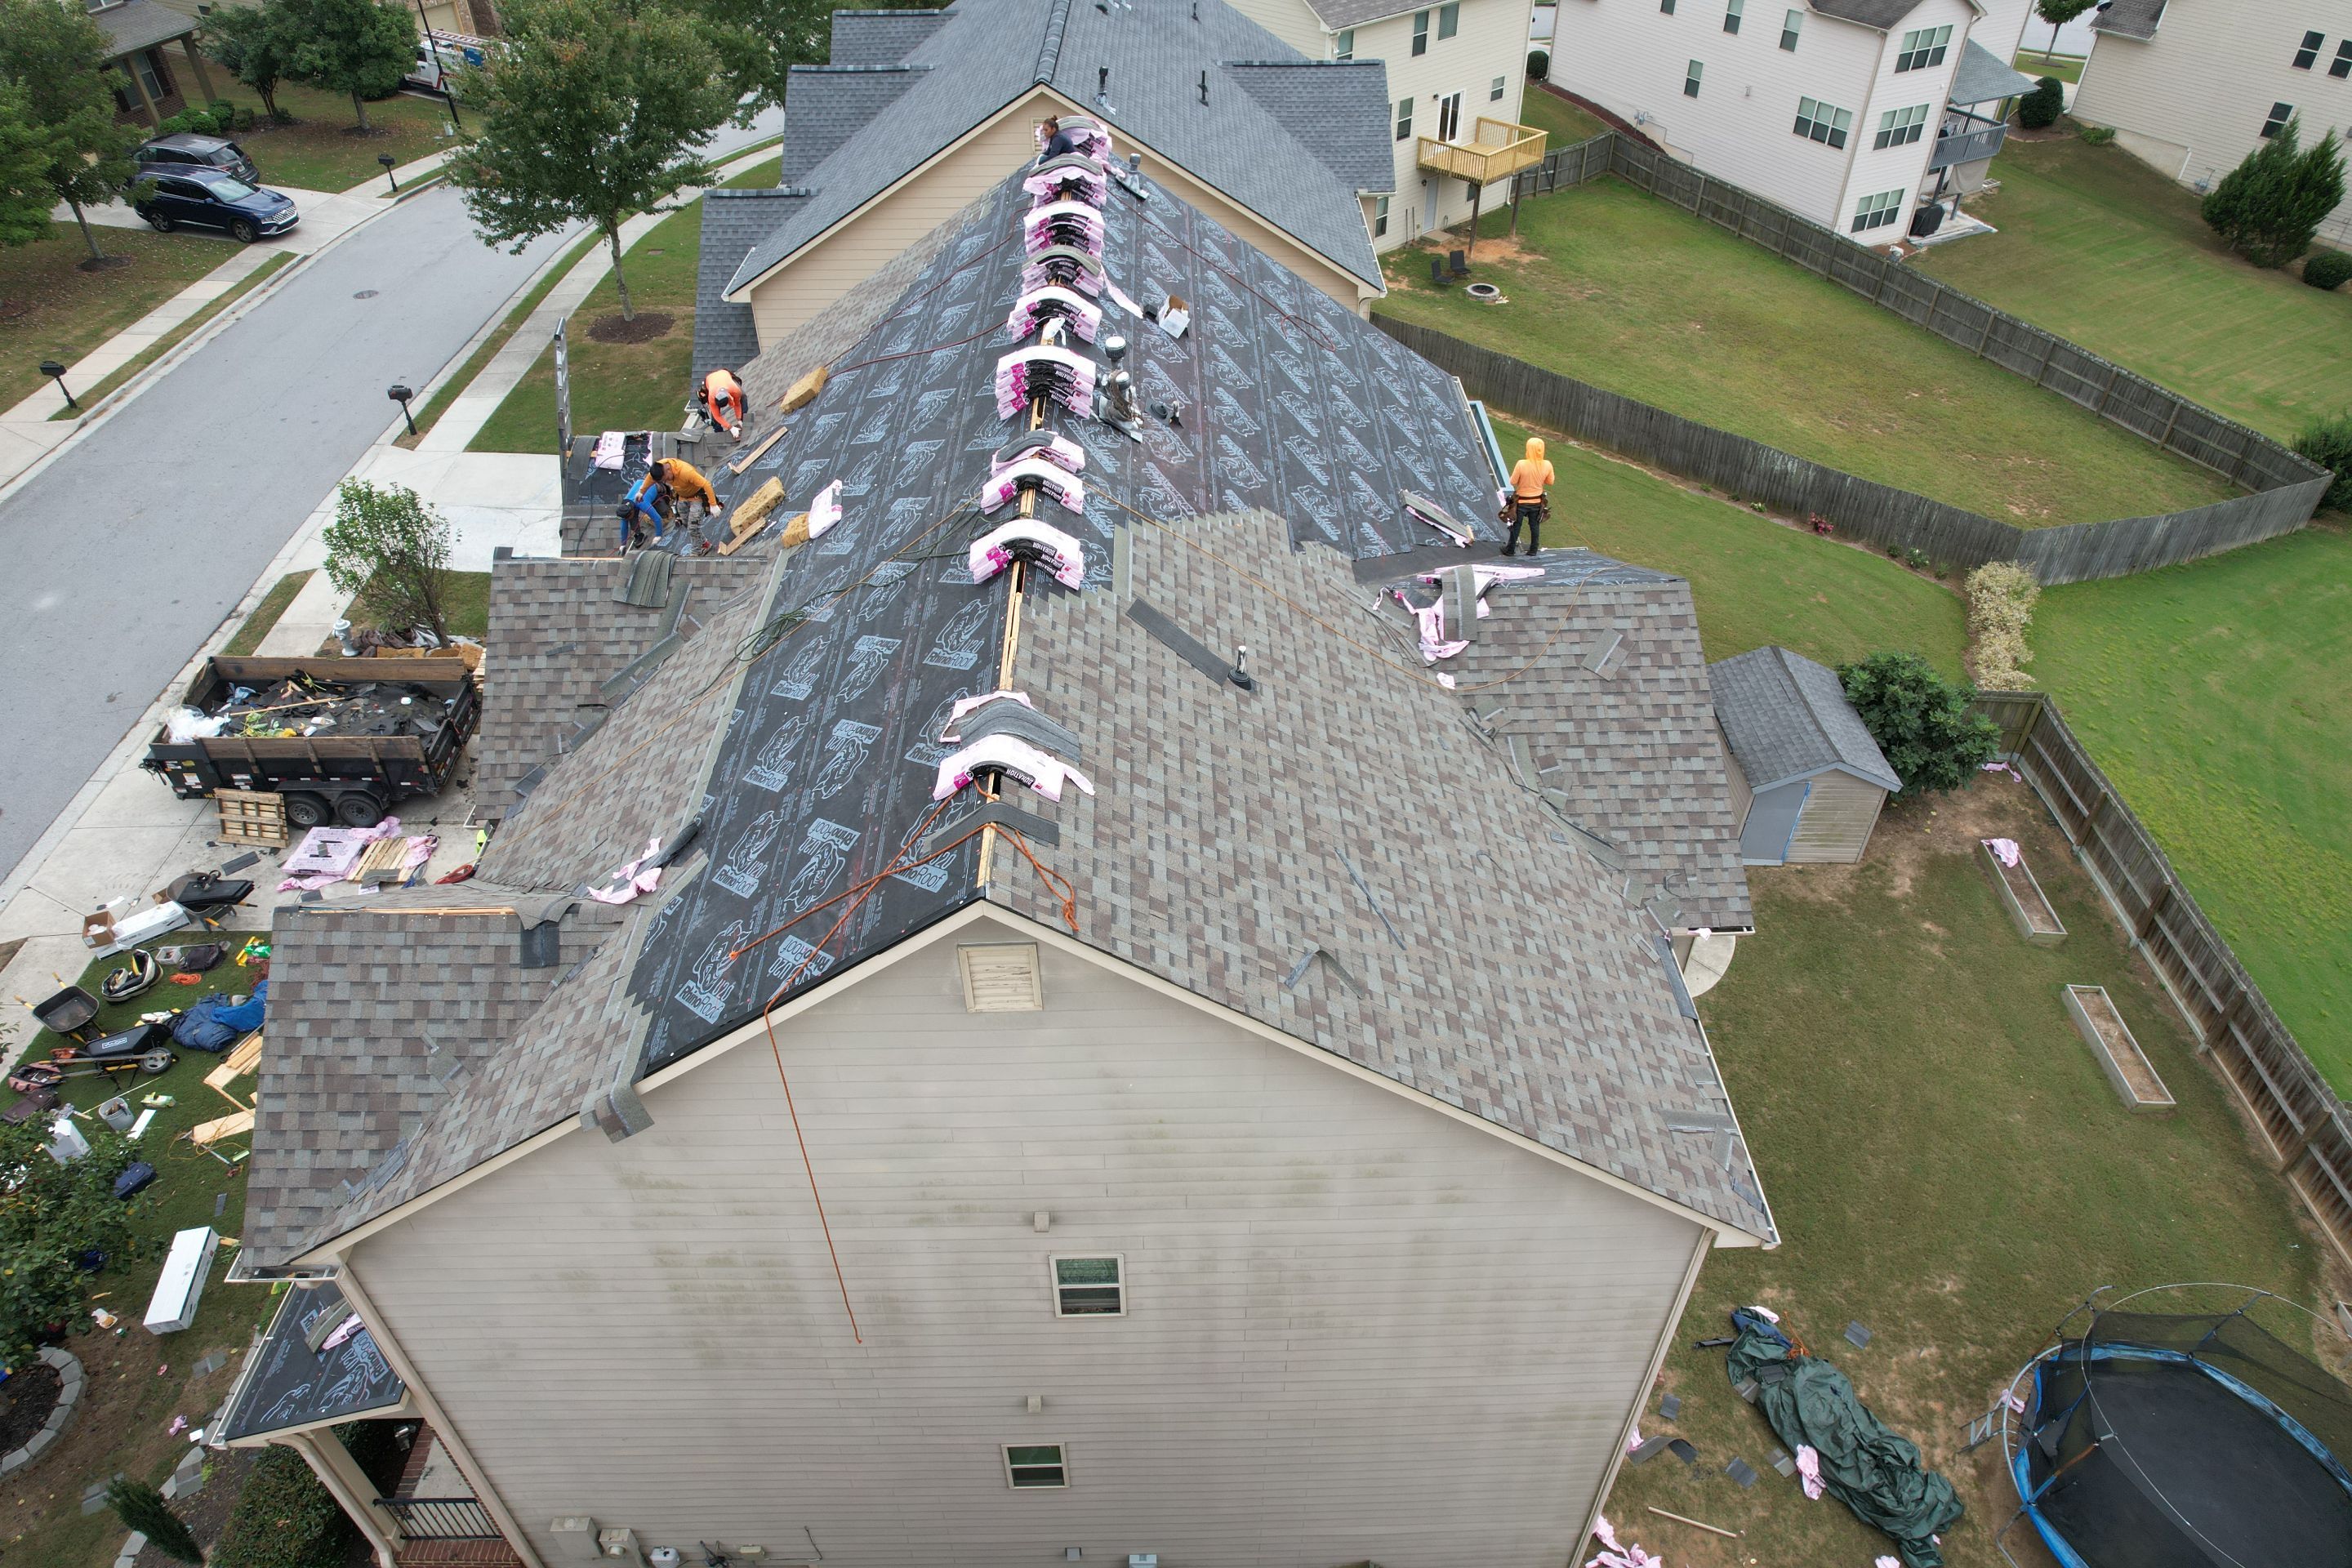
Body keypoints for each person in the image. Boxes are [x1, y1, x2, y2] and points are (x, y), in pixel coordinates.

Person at [1503, 435, 1555, 556]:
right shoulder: (1547, 464)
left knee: (1517, 525)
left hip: (1521, 501)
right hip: (1537, 502)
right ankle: (1533, 550)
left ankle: (1510, 550)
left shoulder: (1521, 464)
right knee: (1534, 526)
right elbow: (1550, 481)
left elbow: (1513, 481)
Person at [652, 457, 719, 535]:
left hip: (696, 497)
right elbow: (649, 478)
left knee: (693, 529)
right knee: (686, 523)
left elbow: (706, 484)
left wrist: (713, 505)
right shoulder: (659, 469)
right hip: (682, 498)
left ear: (668, 470)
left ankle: (698, 547)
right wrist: (641, 492)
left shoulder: (686, 472)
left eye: (667, 478)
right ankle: (704, 544)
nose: (668, 481)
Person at [617, 470, 666, 549]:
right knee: (632, 520)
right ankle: (639, 534)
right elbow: (624, 527)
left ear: (631, 511)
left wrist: (658, 535)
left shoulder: (642, 503)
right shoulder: (624, 508)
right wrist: (623, 544)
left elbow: (657, 519)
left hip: (653, 484)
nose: (626, 520)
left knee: (663, 511)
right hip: (639, 483)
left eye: (627, 517)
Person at [700, 368, 746, 439]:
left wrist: (739, 419)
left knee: (743, 397)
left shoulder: (735, 390)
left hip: (724, 374)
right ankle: (719, 434)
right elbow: (717, 416)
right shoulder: (711, 397)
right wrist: (731, 427)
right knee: (714, 417)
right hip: (710, 379)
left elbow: (737, 404)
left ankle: (743, 421)